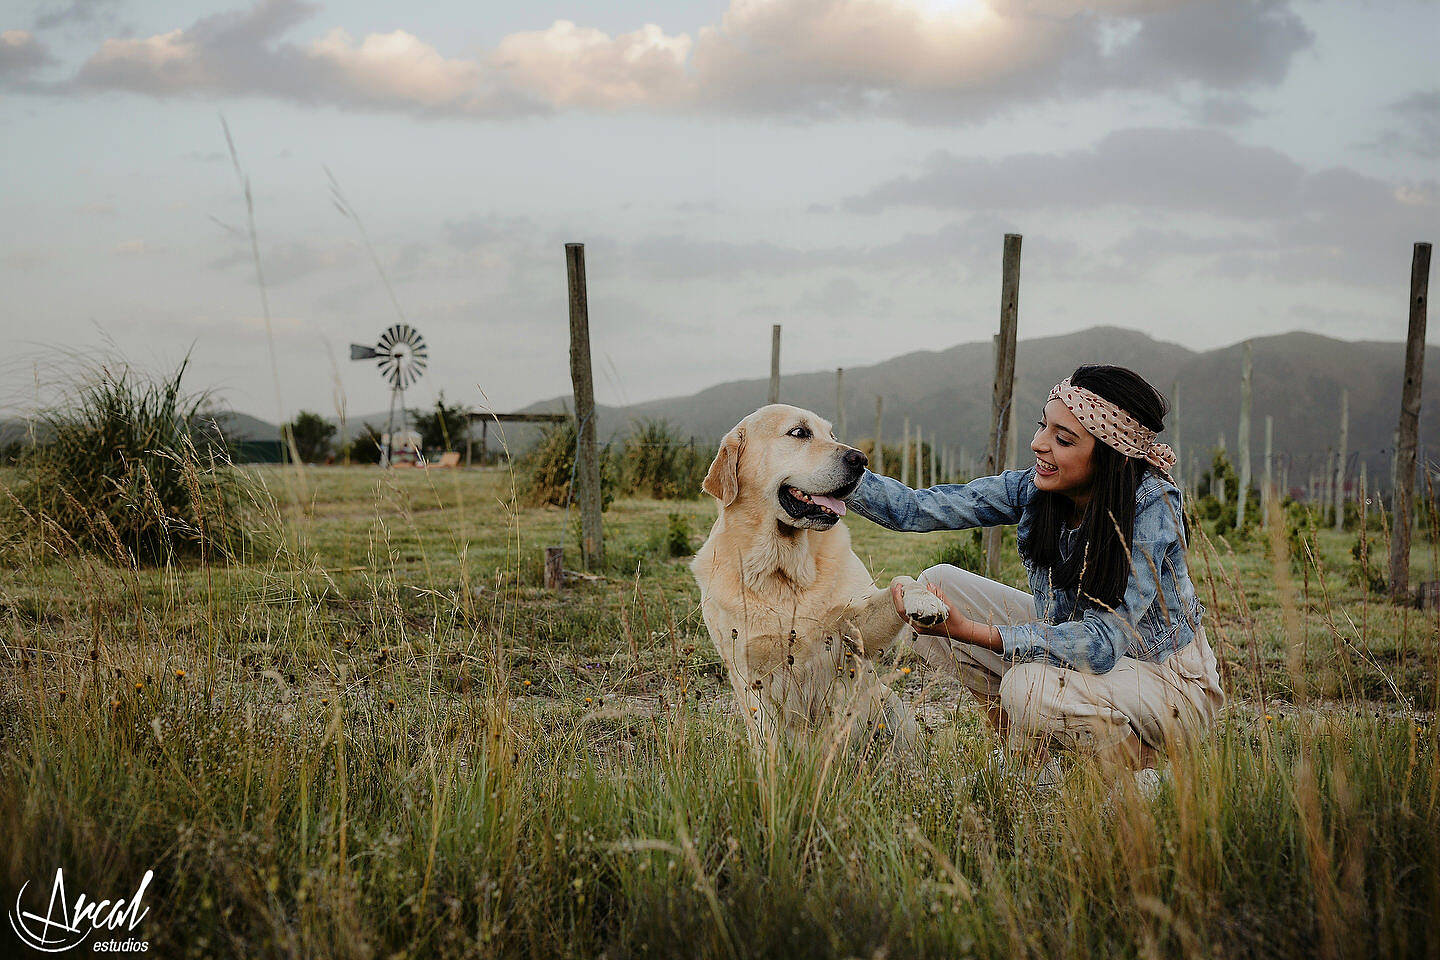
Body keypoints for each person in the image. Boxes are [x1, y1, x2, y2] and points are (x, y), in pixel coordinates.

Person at [845, 364, 1224, 785]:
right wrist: (831, 471)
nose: (1038, 444)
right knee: (938, 586)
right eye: (1043, 427)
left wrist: (972, 630)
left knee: (1028, 686)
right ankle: (1029, 758)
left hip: (1167, 685)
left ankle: (1146, 771)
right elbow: (916, 508)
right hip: (1076, 653)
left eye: (1062, 439)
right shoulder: (1037, 488)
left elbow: (1101, 643)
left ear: (1109, 454)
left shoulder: (1151, 507)